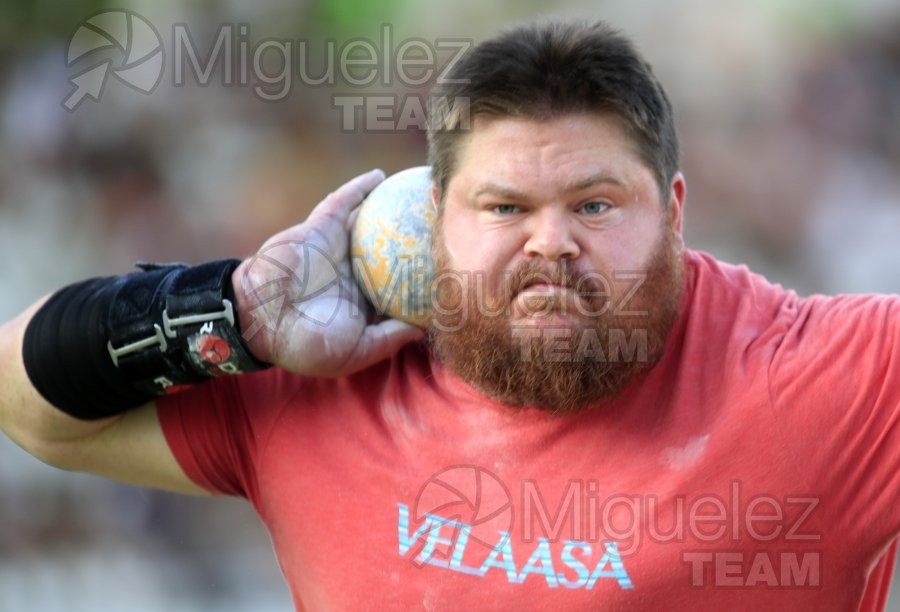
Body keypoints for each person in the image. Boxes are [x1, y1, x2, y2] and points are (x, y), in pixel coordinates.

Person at [1, 19, 898, 611]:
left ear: (672, 210)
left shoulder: (818, 379)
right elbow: (25, 402)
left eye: (594, 205)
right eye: (505, 207)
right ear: (435, 224)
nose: (550, 243)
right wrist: (227, 310)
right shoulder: (318, 379)